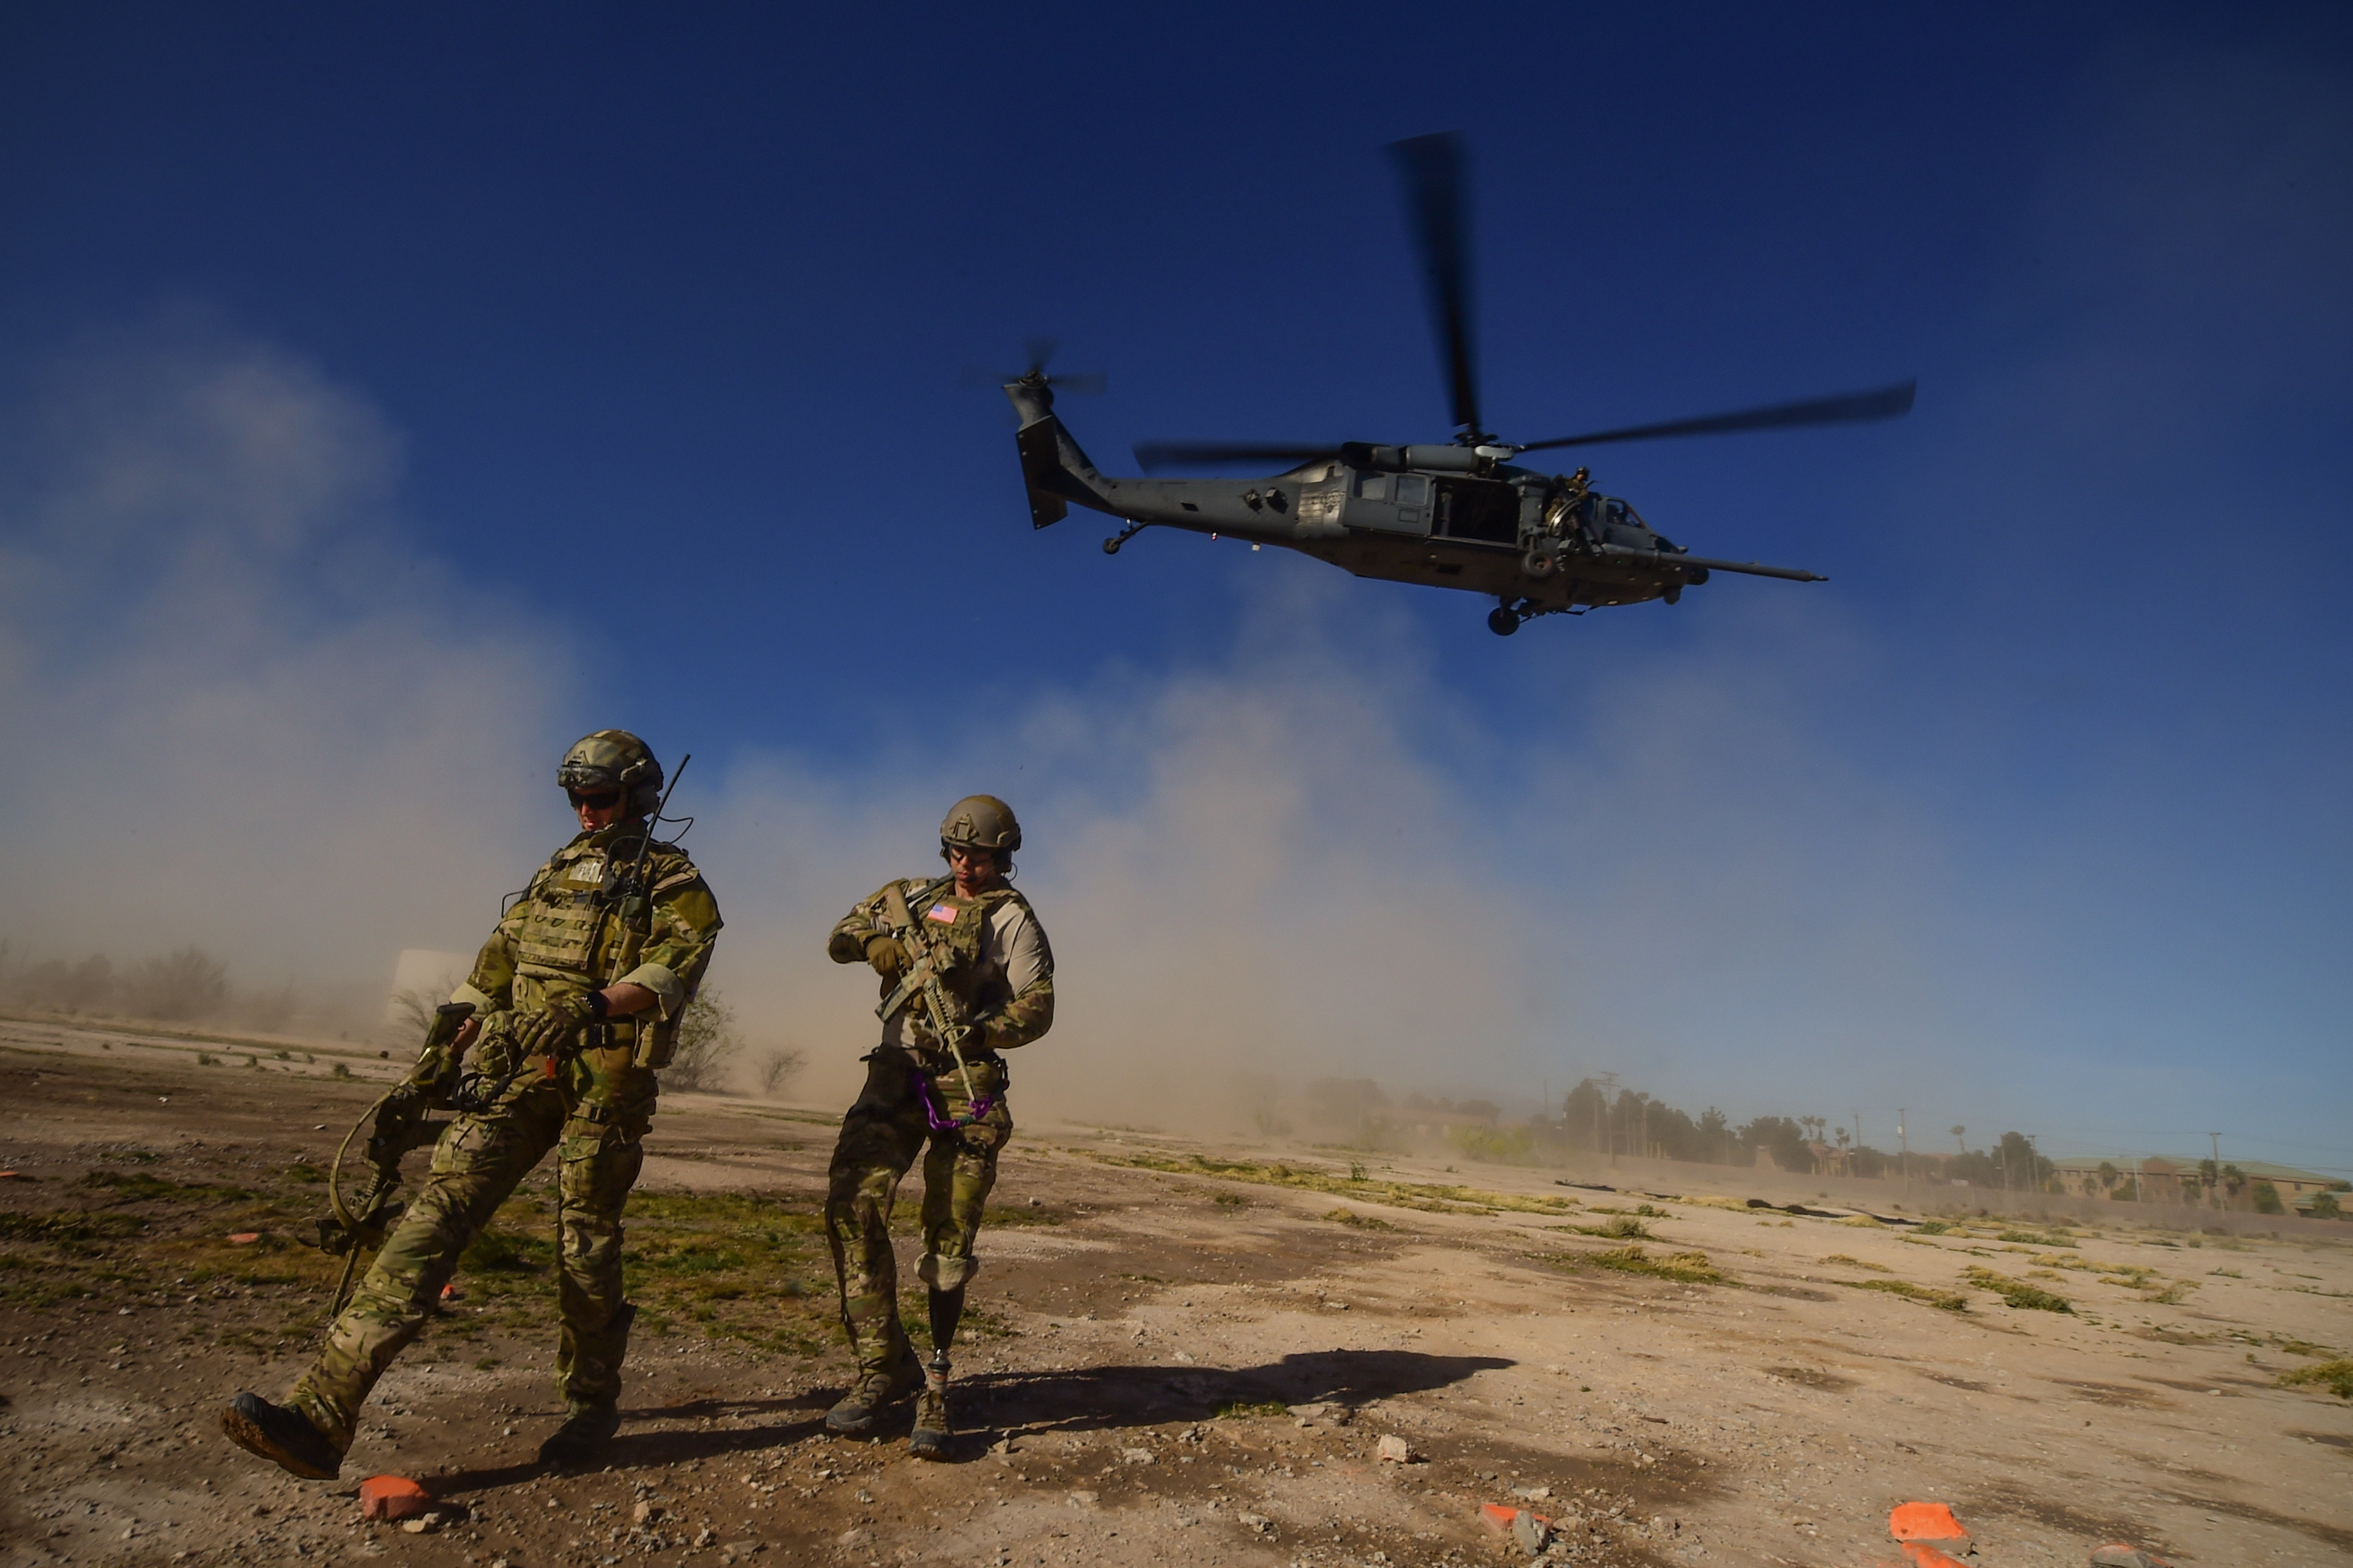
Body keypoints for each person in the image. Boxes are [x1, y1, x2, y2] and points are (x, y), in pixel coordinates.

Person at [220, 731, 721, 1477]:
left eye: (601, 797)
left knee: (583, 1246)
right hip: (515, 1073)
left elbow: (671, 970)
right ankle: (321, 1415)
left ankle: (589, 1410)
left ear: (638, 795)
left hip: (604, 1083)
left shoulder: (670, 875)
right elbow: (490, 973)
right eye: (576, 797)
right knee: (433, 1215)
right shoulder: (555, 872)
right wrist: (432, 1059)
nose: (586, 810)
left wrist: (591, 1002)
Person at [821, 795, 1054, 1459]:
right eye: (955, 853)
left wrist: (982, 1029)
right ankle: (880, 1367)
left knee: (949, 1242)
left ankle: (937, 1383)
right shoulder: (909, 898)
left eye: (977, 856)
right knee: (851, 1204)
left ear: (1001, 854)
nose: (964, 866)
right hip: (892, 1074)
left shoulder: (1012, 918)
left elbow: (1038, 1007)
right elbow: (839, 933)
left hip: (964, 1081)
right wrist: (874, 942)